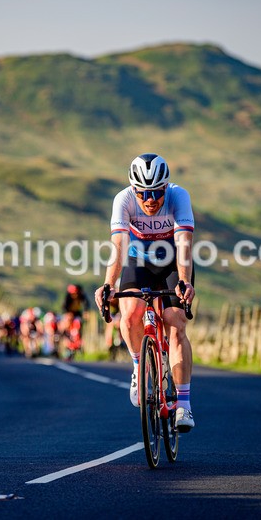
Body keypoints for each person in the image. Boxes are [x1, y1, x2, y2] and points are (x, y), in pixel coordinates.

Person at [94, 153, 196, 432]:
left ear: (166, 187)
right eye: (143, 193)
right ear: (133, 190)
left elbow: (184, 243)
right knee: (129, 317)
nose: (150, 199)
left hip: (173, 261)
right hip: (138, 261)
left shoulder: (179, 196)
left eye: (157, 192)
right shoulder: (123, 200)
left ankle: (184, 406)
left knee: (175, 325)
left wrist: (185, 281)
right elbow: (118, 247)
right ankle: (140, 368)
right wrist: (108, 285)